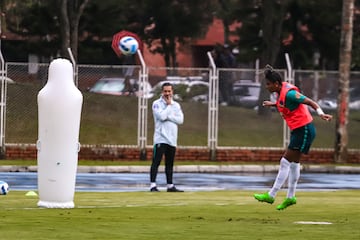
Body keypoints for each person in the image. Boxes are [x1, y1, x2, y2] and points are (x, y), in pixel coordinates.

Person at [254, 65, 332, 210]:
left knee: (285, 161)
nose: (267, 86)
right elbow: (285, 105)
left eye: (268, 84)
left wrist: (321, 114)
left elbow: (310, 102)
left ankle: (271, 195)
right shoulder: (281, 93)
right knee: (294, 163)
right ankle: (290, 197)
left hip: (304, 130)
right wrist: (273, 104)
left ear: (276, 84)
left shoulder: (289, 93)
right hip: (299, 130)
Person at [150, 82, 184, 192]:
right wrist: (169, 107)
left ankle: (170, 185)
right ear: (162, 92)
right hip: (160, 138)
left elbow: (180, 120)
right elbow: (161, 117)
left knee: (170, 163)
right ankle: (153, 185)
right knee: (156, 161)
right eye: (165, 91)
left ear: (172, 91)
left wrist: (169, 115)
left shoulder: (176, 105)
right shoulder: (156, 104)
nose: (167, 93)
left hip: (172, 138)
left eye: (169, 91)